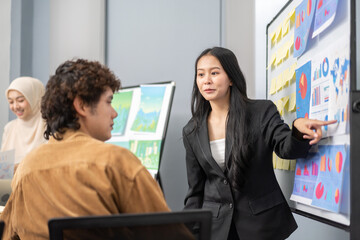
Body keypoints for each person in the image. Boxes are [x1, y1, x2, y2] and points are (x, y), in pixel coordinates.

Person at [0, 59, 173, 239]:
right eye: (108, 102)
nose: (114, 113)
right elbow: (169, 234)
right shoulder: (116, 161)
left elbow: (7, 233)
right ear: (81, 105)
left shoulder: (25, 168)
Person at [182, 47, 337, 240]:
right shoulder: (191, 130)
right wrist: (189, 232)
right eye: (201, 74)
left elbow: (286, 148)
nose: (207, 80)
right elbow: (195, 192)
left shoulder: (260, 112)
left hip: (261, 224)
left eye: (214, 73)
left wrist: (296, 128)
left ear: (231, 78)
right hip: (217, 229)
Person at [1, 77, 47, 172]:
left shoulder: (49, 127)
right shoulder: (9, 128)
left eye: (21, 100)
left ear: (35, 98)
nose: (15, 106)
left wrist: (17, 168)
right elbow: (3, 170)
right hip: (9, 186)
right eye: (11, 102)